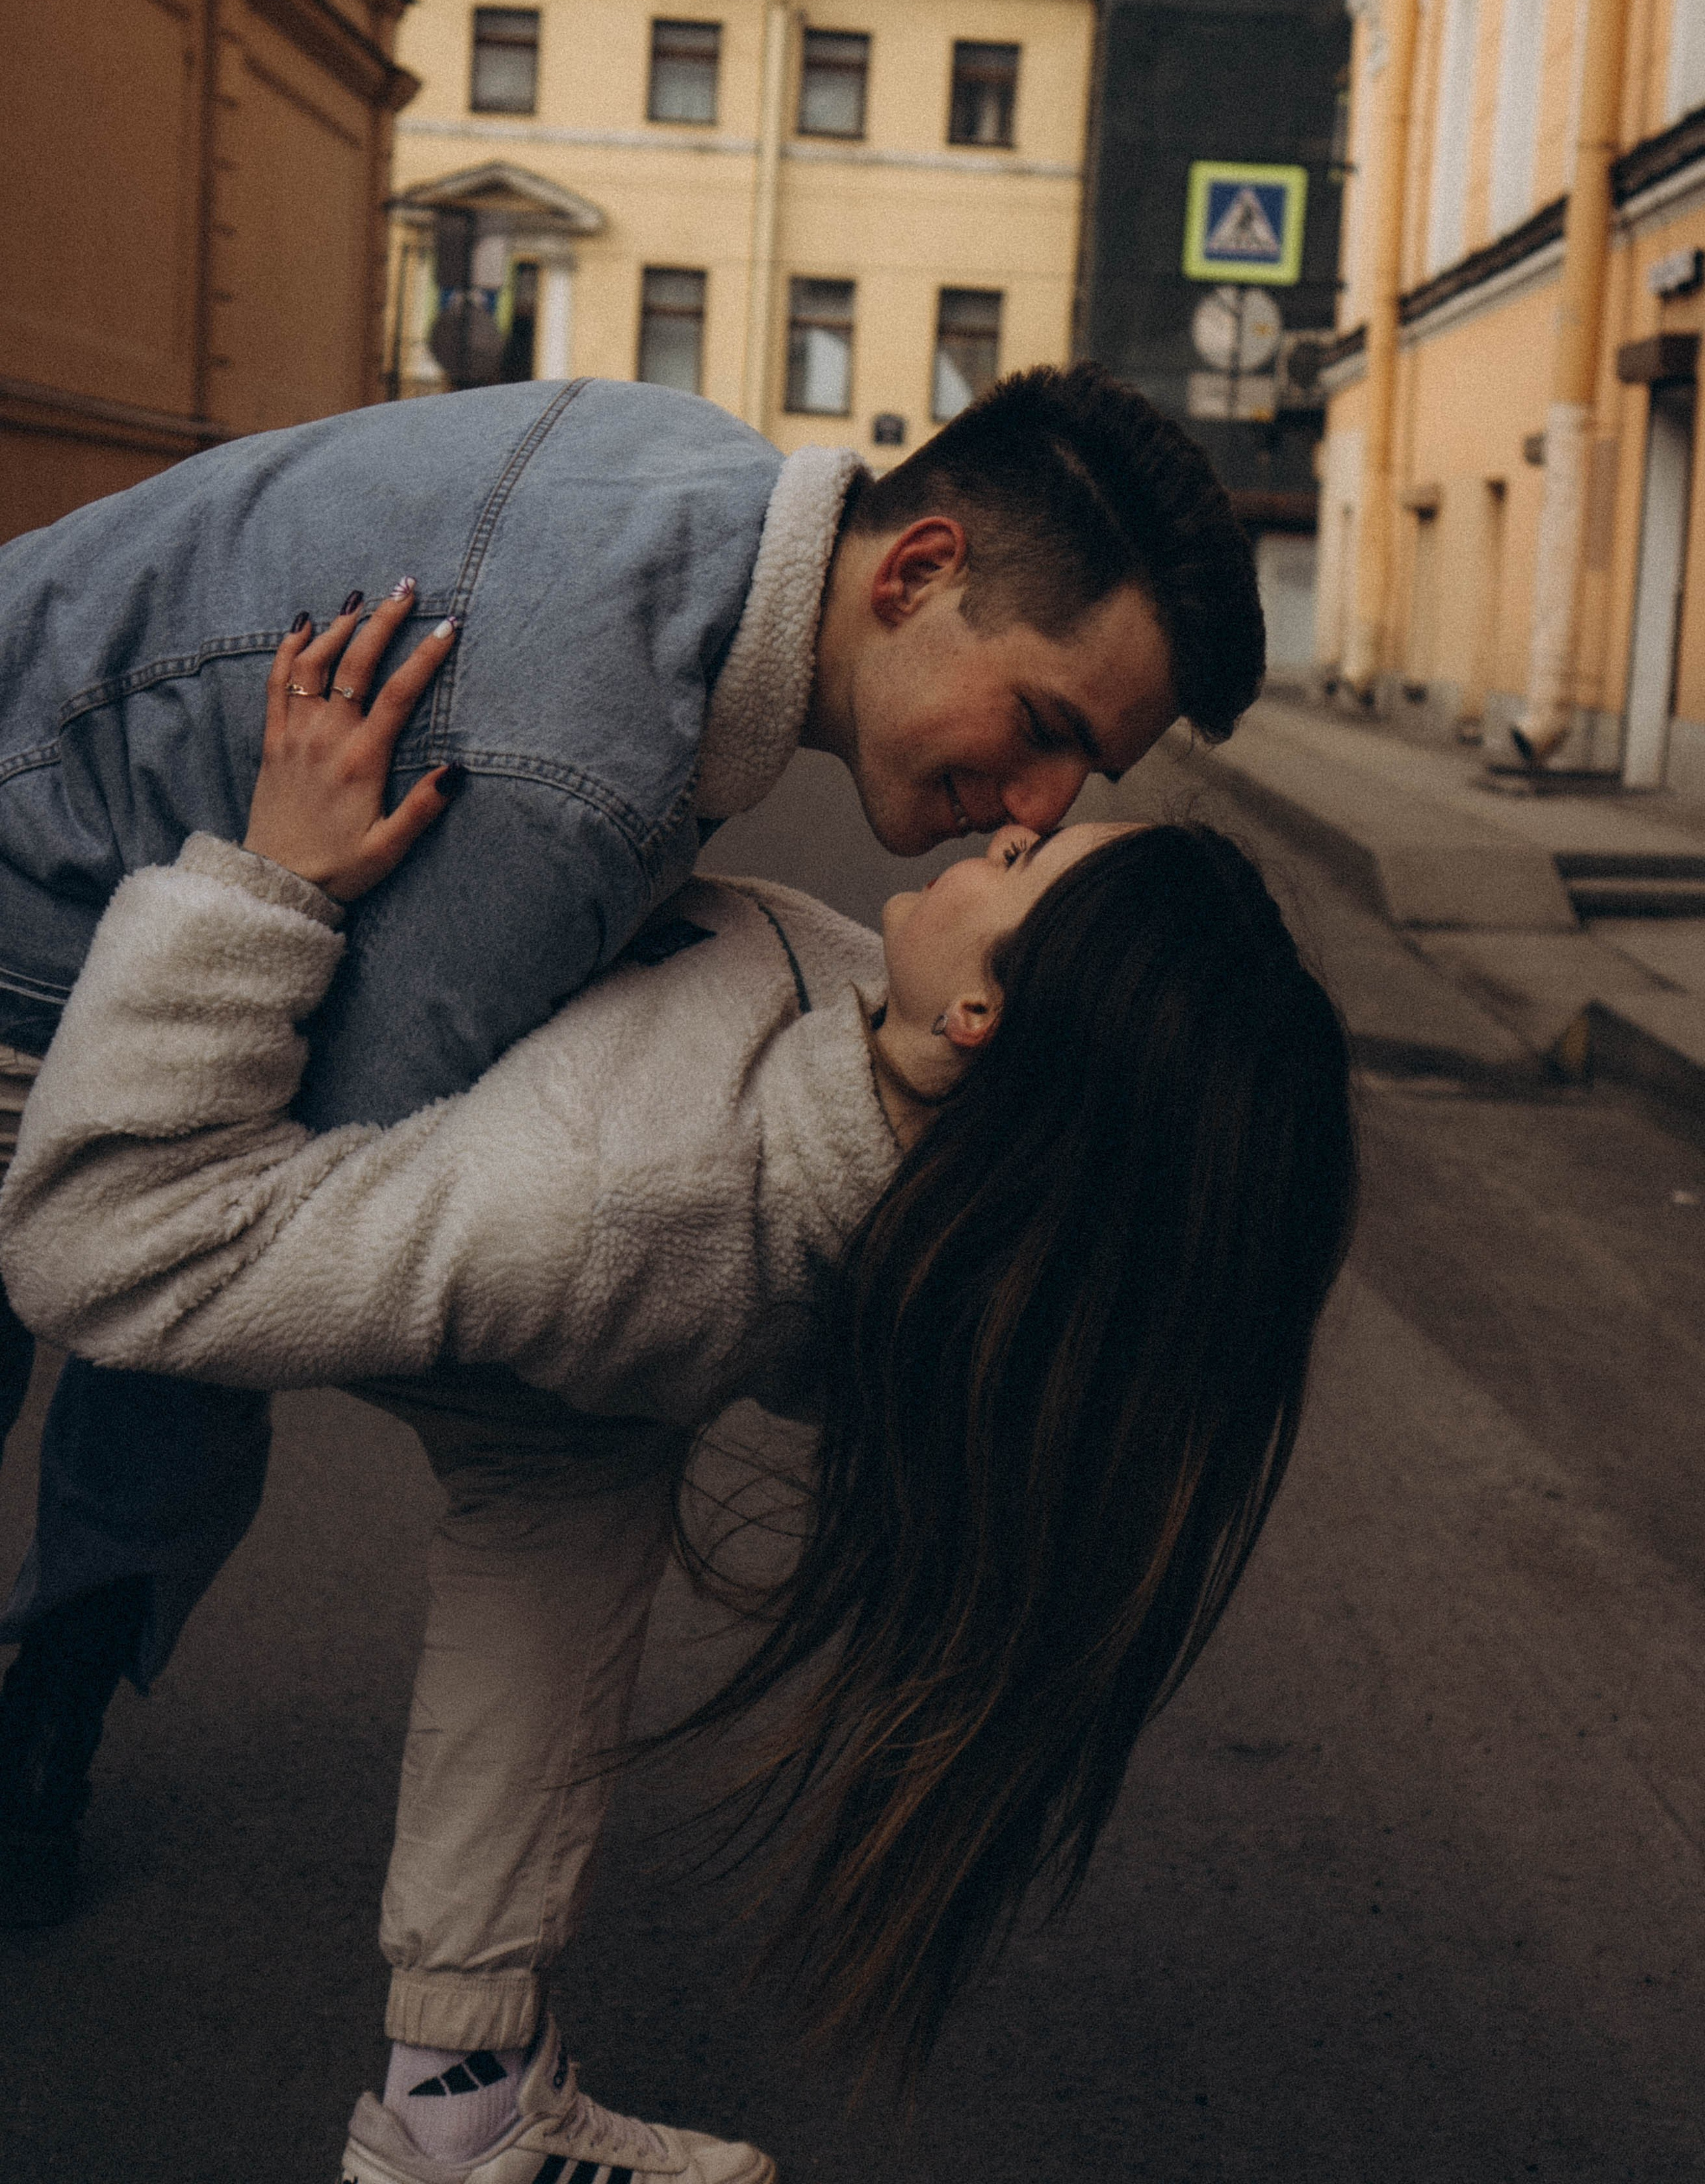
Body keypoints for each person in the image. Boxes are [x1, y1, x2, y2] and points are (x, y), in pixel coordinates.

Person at [0, 587, 1355, 2184]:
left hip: (267, 1177)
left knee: (567, 1477)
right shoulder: (923, 1090)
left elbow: (115, 1248)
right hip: (590, 1284)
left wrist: (266, 885)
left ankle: (454, 2117)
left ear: (981, 1016)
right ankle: (460, 2113)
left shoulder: (610, 1193)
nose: (1018, 829)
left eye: (1034, 866)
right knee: (571, 1491)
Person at [0, 364, 1264, 1930]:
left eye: (1086, 775)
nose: (1038, 809)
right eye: (1044, 726)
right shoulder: (576, 777)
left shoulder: (699, 488)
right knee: (510, 1407)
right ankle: (55, 1707)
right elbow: (270, 1206)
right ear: (917, 570)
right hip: (34, 902)